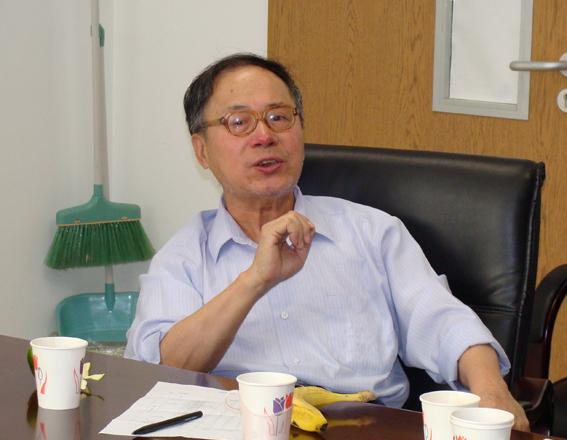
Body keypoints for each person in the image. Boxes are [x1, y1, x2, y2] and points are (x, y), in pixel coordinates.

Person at [125, 53, 529, 431]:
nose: (264, 135)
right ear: (201, 151)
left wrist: (492, 391)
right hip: (240, 428)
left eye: (278, 117)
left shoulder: (372, 232)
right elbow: (161, 368)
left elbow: (444, 323)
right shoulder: (184, 257)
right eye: (239, 122)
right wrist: (254, 281)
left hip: (365, 429)